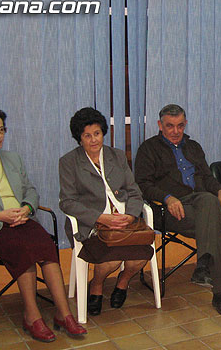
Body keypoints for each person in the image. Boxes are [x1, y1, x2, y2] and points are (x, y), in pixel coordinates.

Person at [0, 107, 86, 343]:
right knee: (22, 251)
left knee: (46, 247)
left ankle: (64, 314)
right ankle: (32, 317)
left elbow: (30, 191)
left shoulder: (13, 159)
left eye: (2, 130)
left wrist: (27, 208)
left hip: (21, 219)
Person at [134, 104, 221, 318]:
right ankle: (216, 286)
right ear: (160, 125)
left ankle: (207, 269)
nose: (175, 131)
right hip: (171, 211)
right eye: (170, 126)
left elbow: (208, 178)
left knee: (211, 202)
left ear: (185, 124)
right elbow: (142, 184)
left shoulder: (193, 147)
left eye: (180, 126)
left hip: (200, 203)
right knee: (214, 221)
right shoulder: (148, 149)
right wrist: (167, 198)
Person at [59, 107, 153, 317]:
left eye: (97, 133)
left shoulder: (117, 156)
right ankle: (97, 285)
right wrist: (100, 218)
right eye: (87, 135)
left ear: (103, 133)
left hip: (125, 223)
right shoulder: (69, 162)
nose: (93, 140)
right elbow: (67, 202)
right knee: (111, 260)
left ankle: (123, 281)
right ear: (79, 138)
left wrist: (130, 215)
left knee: (141, 256)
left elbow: (134, 192)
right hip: (93, 225)